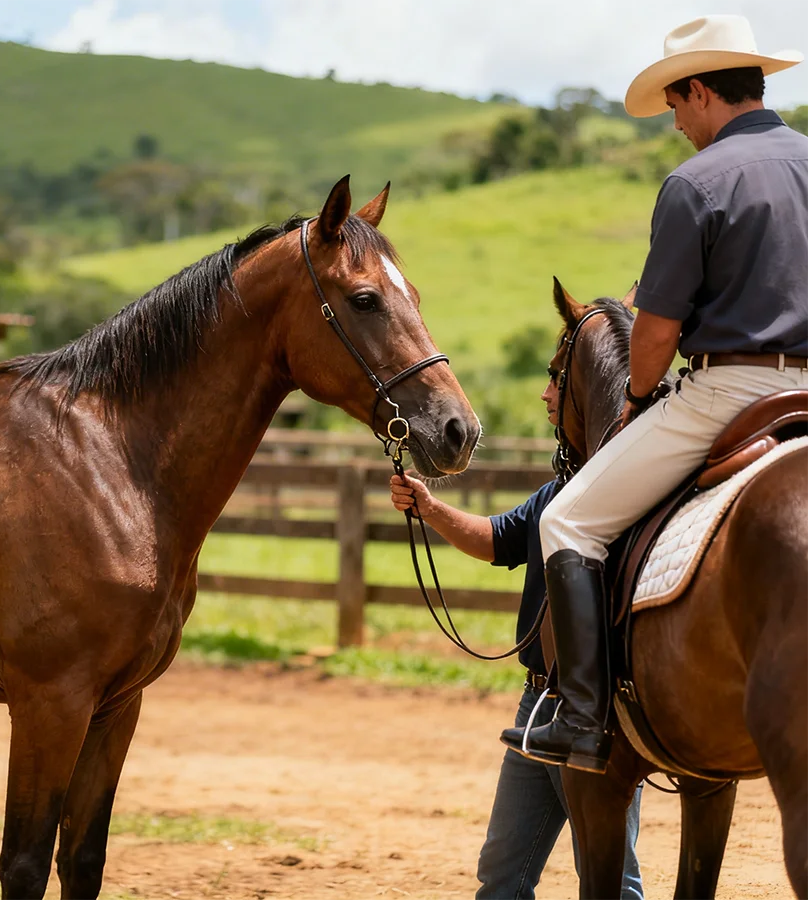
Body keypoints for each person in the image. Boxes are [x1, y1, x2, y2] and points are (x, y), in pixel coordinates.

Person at [499, 14, 808, 774]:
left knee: (569, 523)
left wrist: (638, 397)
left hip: (729, 390)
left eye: (675, 107)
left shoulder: (696, 182)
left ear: (700, 91)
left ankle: (579, 717)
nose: (676, 125)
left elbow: (657, 331)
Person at [390, 370, 643, 898]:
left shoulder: (623, 499)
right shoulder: (562, 493)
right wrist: (430, 508)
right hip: (535, 710)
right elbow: (497, 540)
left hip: (596, 714)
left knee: (612, 882)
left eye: (557, 381)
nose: (545, 394)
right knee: (501, 877)